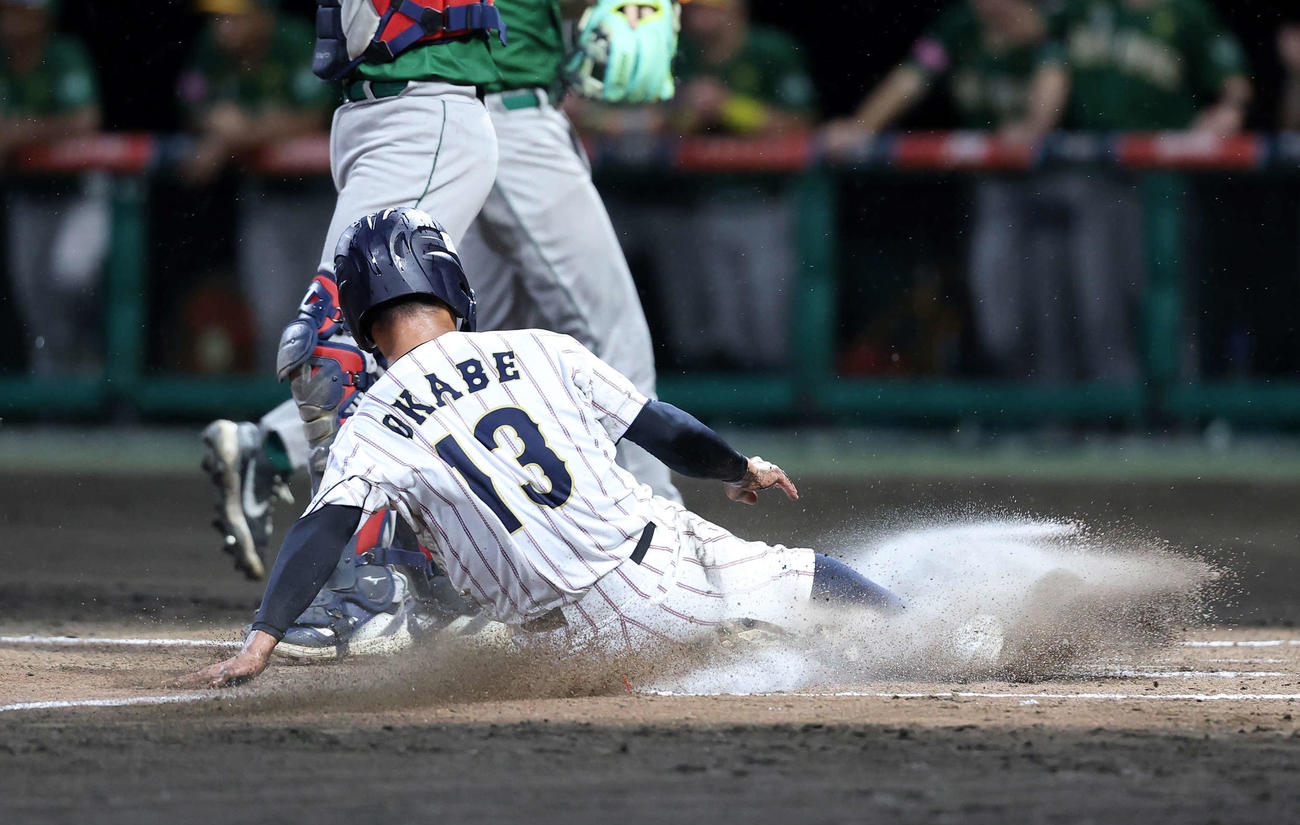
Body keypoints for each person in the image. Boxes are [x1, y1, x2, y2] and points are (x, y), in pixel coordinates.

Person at [186, 208, 903, 688]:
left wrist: (263, 638)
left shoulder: (370, 420)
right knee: (806, 572)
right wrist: (739, 468)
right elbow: (660, 428)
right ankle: (923, 635)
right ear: (450, 286)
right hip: (663, 570)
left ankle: (728, 643)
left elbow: (323, 529)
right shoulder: (538, 347)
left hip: (562, 646)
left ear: (361, 319)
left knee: (435, 553)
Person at [200, 1, 683, 659]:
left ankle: (388, 567)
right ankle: (399, 566)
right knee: (446, 353)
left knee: (396, 348)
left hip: (446, 105)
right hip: (461, 111)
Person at [822, 0, 1062, 380]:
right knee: (999, 311)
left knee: (1075, 311)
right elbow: (912, 76)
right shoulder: (963, 26)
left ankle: (1116, 425)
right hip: (998, 186)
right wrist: (862, 126)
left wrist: (1035, 126)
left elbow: (1054, 75)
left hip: (1072, 179)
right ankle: (1030, 418)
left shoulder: (1054, 17)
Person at [1013, 0, 1251, 382]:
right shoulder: (1082, 9)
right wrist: (1035, 122)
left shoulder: (1188, 13)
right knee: (1100, 302)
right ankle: (1117, 415)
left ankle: (1176, 415)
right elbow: (1050, 64)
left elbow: (1233, 83)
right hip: (1095, 172)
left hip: (1163, 181)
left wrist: (1228, 110)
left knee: (1165, 300)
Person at [177, 0, 337, 373]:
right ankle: (280, 413)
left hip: (321, 194)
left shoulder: (293, 39)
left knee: (327, 311)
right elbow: (191, 103)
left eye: (233, 18)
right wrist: (213, 123)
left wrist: (237, 134)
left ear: (263, 15)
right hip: (265, 195)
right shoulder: (211, 47)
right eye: (218, 18)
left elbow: (313, 116)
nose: (222, 27)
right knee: (273, 314)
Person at [655, 0, 816, 369]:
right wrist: (687, 115)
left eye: (710, 9)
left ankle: (794, 415)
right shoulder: (682, 55)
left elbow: (801, 126)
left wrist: (730, 108)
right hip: (704, 204)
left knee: (769, 321)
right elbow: (658, 128)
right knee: (720, 328)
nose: (699, 18)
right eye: (694, 10)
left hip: (767, 202)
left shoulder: (769, 49)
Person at [0, 0, 107, 375]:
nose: (10, 21)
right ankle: (54, 404)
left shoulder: (63, 54)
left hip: (80, 193)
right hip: (29, 197)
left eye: (19, 12)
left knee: (72, 280)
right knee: (35, 303)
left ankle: (96, 377)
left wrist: (20, 132)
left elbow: (85, 120)